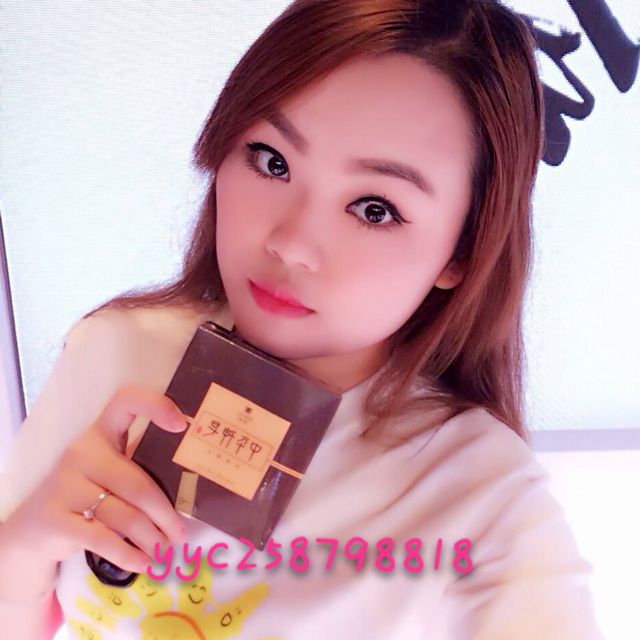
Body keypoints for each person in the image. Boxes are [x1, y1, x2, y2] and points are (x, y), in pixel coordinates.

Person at [0, 0, 604, 638]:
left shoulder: (482, 495)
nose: (291, 244)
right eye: (272, 161)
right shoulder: (117, 353)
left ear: (463, 250)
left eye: (374, 208)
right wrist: (22, 550)